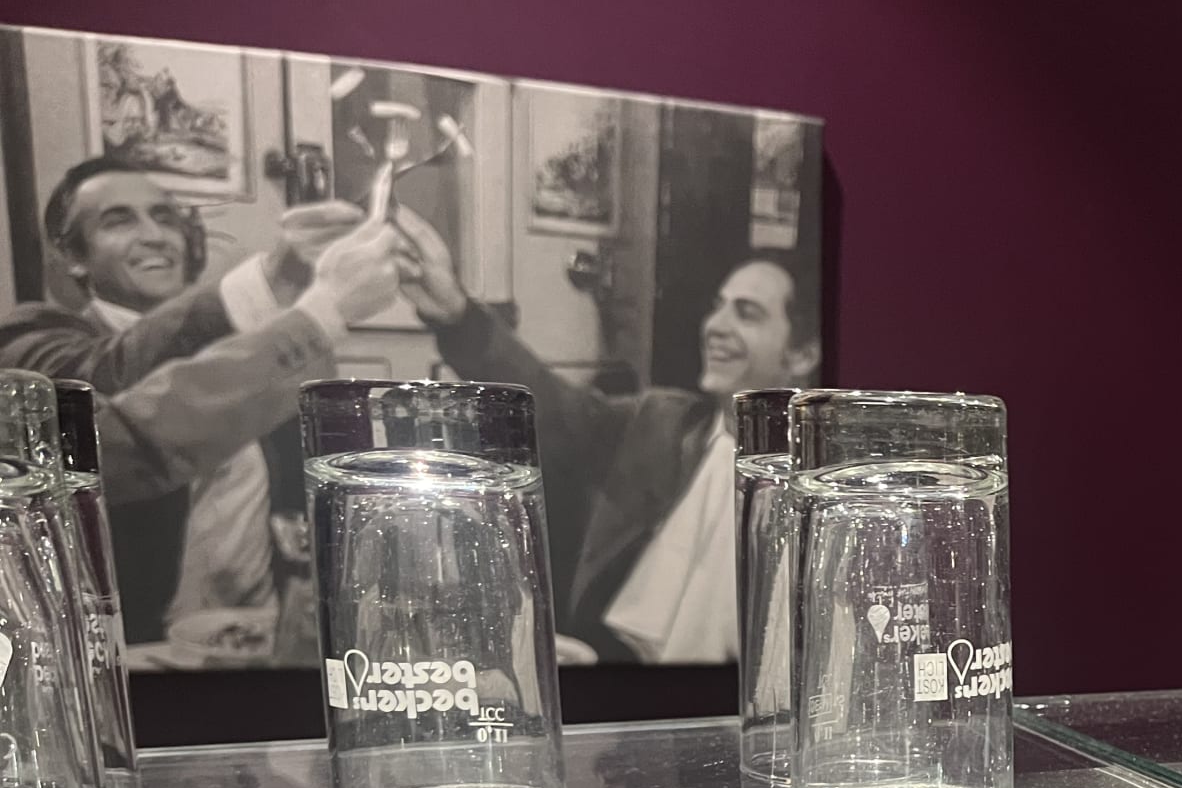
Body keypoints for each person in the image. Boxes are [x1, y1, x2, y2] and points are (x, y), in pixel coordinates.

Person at [0, 156, 403, 643]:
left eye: (165, 216)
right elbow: (104, 383)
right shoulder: (32, 337)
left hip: (263, 642)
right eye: (118, 220)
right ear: (73, 257)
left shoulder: (264, 348)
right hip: (137, 654)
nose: (155, 235)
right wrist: (284, 292)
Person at [392, 211, 822, 661]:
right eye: (718, 306)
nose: (715, 325)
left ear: (802, 354)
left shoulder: (822, 486)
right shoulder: (660, 422)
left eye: (747, 314)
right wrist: (457, 316)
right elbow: (546, 402)